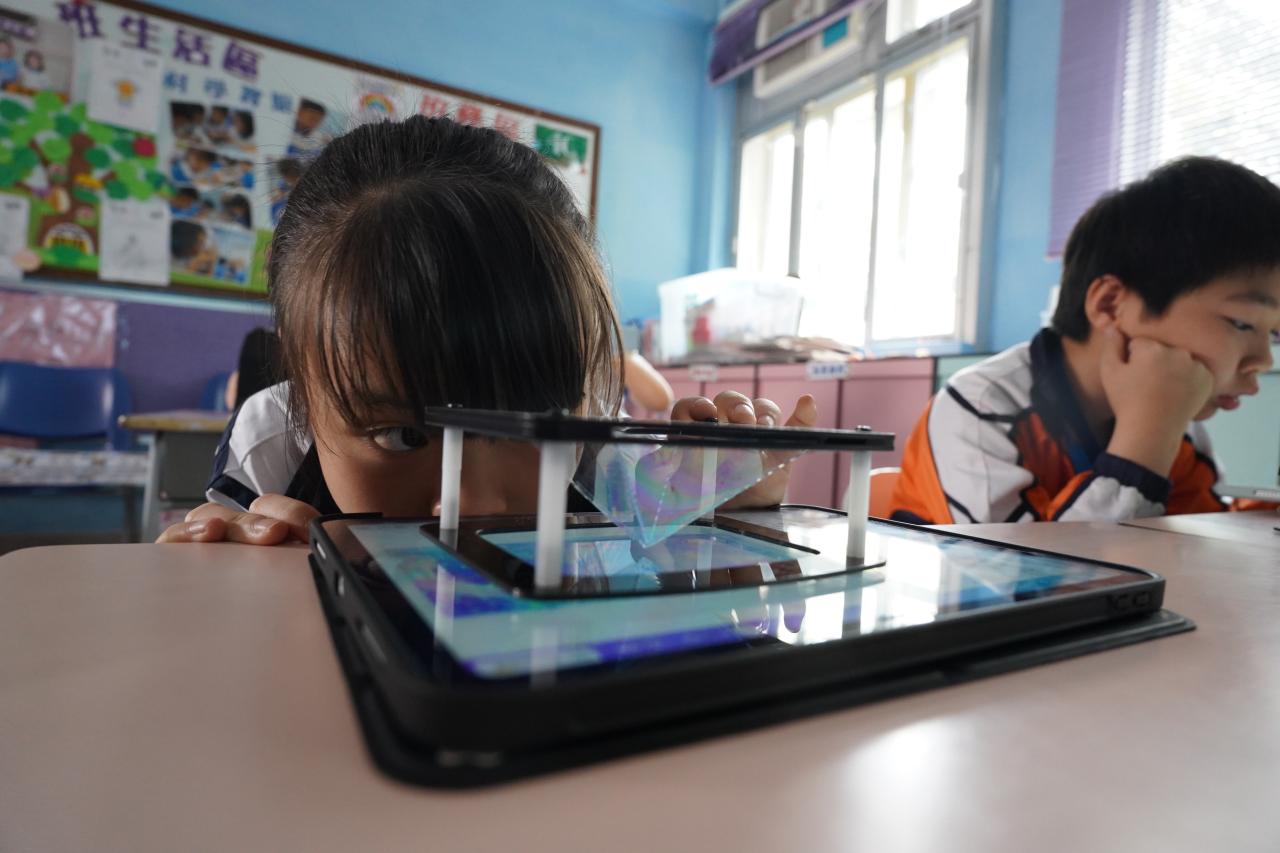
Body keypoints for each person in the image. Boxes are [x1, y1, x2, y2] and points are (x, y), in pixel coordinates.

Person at [158, 116, 816, 545]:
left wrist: (732, 501)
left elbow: (666, 528)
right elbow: (218, 573)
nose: (474, 504)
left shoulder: (596, 446)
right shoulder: (273, 442)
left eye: (536, 423)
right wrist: (226, 559)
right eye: (405, 435)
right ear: (305, 394)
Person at [889, 156, 1280, 524]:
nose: (1264, 360)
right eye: (1243, 323)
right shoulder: (983, 407)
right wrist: (1146, 441)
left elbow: (1201, 535)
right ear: (1110, 304)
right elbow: (1019, 569)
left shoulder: (1179, 422)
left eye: (1276, 333)